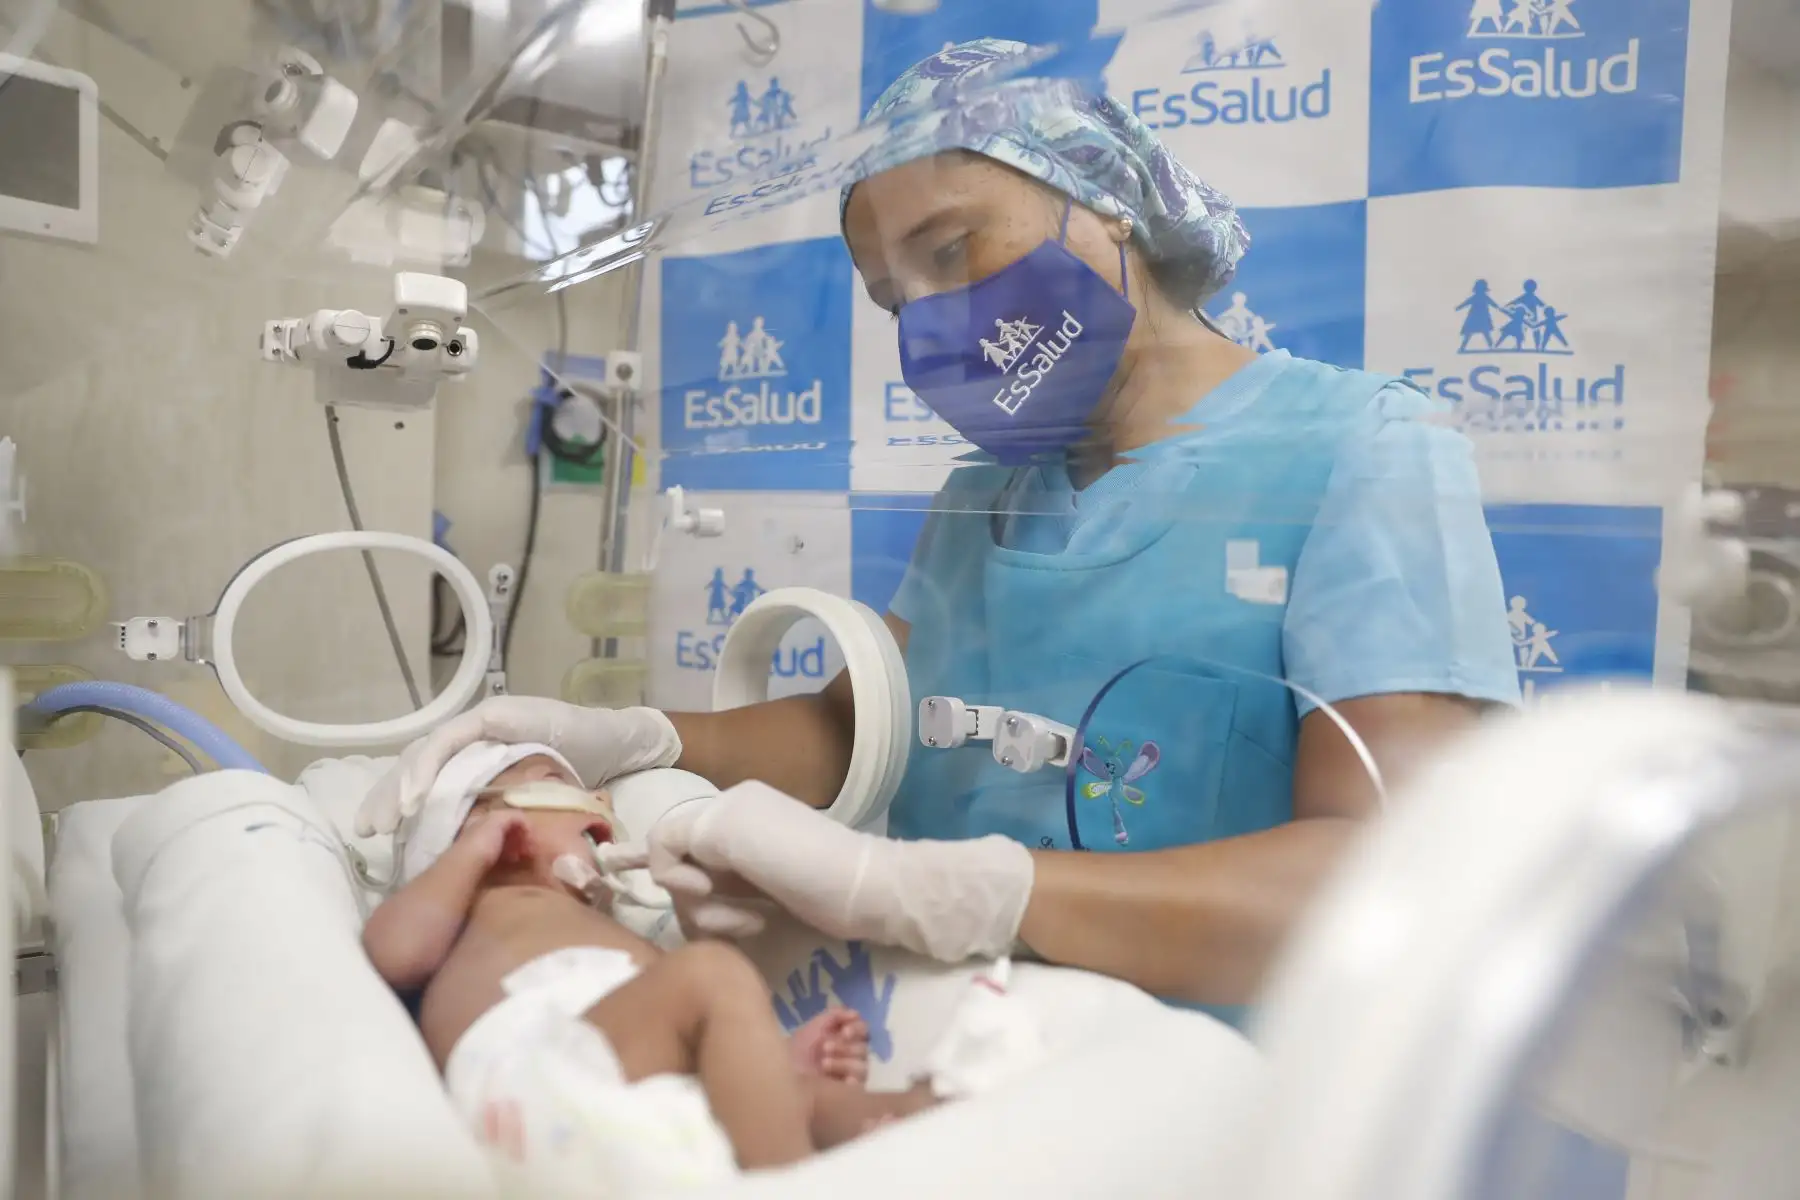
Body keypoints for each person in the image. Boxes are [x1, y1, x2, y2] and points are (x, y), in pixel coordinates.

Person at [359, 38, 1519, 1017]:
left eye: (955, 251)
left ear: (1106, 201)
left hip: (1201, 1083)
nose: (930, 321)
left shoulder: (1358, 452)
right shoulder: (987, 492)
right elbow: (864, 732)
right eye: (892, 297)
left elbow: (1383, 877)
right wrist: (632, 740)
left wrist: (953, 893)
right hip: (948, 1040)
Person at [362, 742, 932, 1194]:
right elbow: (392, 954)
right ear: (477, 816)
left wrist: (769, 1063)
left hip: (643, 1113)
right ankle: (794, 1179)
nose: (600, 803)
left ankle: (928, 1123)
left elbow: (683, 1041)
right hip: (540, 1075)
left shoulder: (610, 933)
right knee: (713, 974)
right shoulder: (474, 910)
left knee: (807, 1093)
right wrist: (472, 853)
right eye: (560, 784)